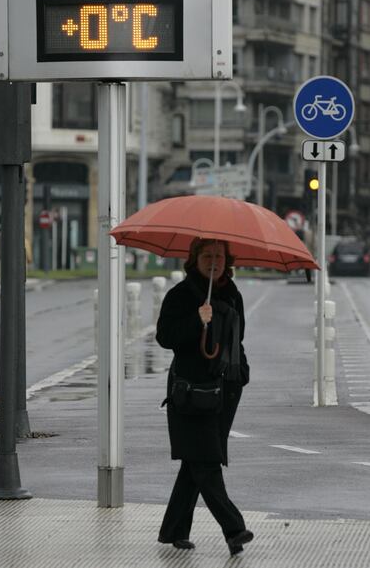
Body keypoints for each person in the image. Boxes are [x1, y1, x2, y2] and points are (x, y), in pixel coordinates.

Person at [156, 238, 253, 556]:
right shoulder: (180, 295)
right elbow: (165, 337)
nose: (214, 261)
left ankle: (174, 530)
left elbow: (237, 336)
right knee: (206, 461)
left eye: (219, 256)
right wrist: (197, 319)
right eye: (207, 255)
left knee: (195, 461)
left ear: (228, 260)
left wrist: (241, 372)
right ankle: (234, 528)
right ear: (194, 259)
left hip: (224, 391)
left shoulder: (232, 293)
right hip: (191, 393)